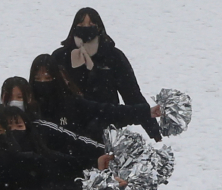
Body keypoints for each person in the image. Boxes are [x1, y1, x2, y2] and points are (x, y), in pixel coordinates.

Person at [54, 9, 161, 138]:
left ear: (99, 28)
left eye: (91, 24)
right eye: (81, 25)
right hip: (69, 129)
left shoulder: (113, 56)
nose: (86, 28)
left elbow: (132, 94)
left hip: (107, 127)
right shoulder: (61, 56)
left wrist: (153, 130)